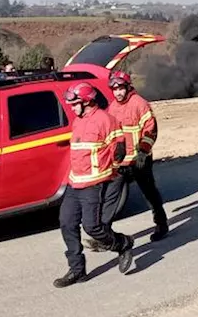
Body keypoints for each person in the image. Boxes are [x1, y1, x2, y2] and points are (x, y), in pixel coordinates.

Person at [53, 81, 136, 287]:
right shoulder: (78, 121)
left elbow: (119, 150)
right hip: (75, 184)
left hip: (94, 184)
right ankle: (77, 270)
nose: (72, 108)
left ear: (87, 102)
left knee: (93, 227)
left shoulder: (106, 120)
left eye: (75, 104)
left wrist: (111, 172)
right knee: (67, 223)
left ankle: (122, 244)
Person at [102, 71, 168, 240]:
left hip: (140, 160)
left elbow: (150, 129)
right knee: (111, 196)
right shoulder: (113, 107)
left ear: (128, 87)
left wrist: (143, 151)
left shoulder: (140, 104)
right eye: (114, 89)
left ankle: (161, 225)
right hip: (121, 162)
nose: (118, 92)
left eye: (120, 88)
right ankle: (103, 235)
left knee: (149, 192)